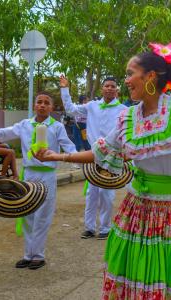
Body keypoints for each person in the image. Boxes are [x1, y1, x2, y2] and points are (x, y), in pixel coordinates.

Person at [34, 42, 171, 298]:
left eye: (130, 73)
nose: (126, 81)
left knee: (169, 273)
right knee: (133, 272)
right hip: (137, 208)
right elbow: (101, 151)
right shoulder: (128, 117)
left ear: (150, 77)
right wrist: (57, 155)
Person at [0, 91, 77, 270]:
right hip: (29, 176)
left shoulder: (56, 127)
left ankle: (38, 255)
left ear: (52, 107)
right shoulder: (24, 125)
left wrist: (80, 159)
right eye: (39, 102)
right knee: (27, 214)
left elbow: (69, 146)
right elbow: (0, 133)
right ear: (34, 105)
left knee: (43, 216)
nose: (42, 105)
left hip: (47, 175)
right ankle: (28, 254)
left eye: (46, 102)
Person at [60, 75, 126, 240]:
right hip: (92, 154)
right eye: (107, 86)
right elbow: (70, 109)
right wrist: (65, 89)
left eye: (112, 86)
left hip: (111, 156)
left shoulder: (123, 110)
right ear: (102, 89)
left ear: (117, 90)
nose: (109, 88)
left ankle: (105, 227)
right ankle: (89, 227)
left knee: (106, 193)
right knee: (92, 193)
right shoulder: (92, 106)